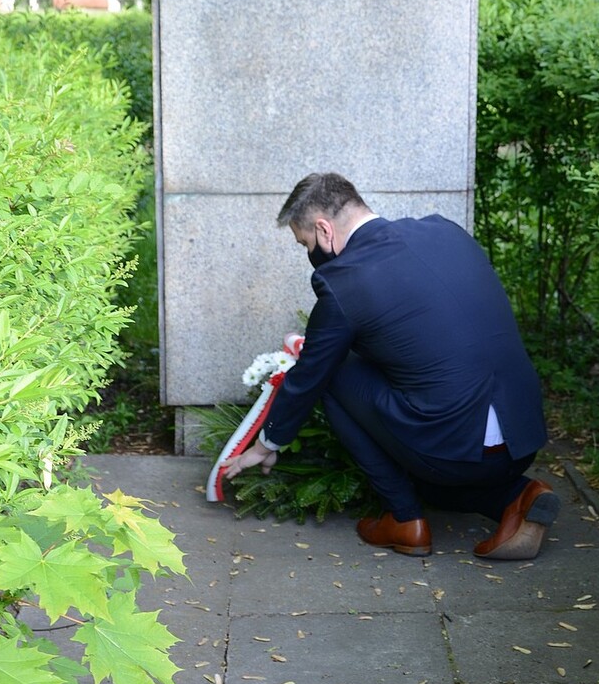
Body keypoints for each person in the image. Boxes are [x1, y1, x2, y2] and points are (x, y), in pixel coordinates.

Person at [222, 173, 560, 560]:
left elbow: (310, 373)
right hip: (521, 441)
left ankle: (404, 518)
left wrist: (267, 444)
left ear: (324, 230)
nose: (309, 254)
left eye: (306, 244)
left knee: (333, 372)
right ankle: (520, 496)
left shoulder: (344, 280)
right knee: (437, 482)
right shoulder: (446, 232)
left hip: (452, 453)